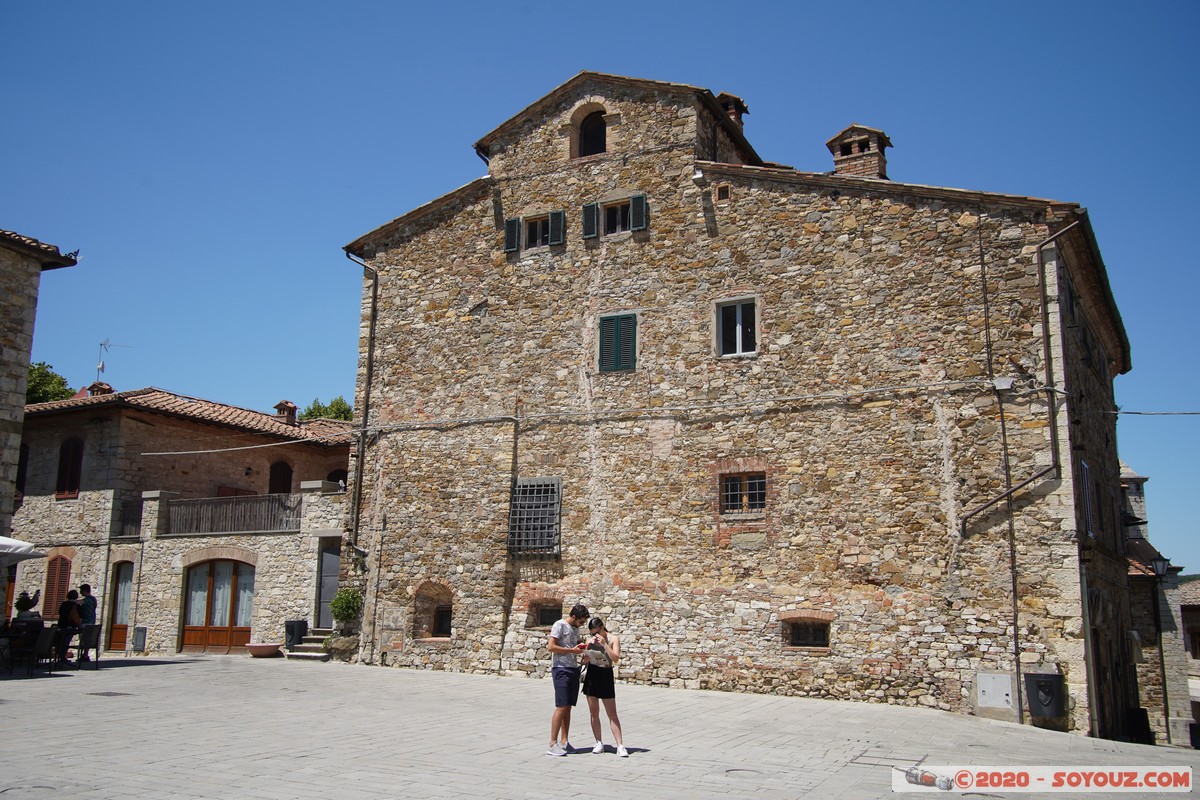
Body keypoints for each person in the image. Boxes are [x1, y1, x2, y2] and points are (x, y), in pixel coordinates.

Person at [546, 603, 589, 756]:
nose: (582, 624)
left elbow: (576, 644)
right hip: (561, 669)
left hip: (573, 669)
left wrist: (584, 649)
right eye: (581, 621)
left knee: (568, 706)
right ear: (574, 617)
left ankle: (564, 741)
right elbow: (551, 647)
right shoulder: (559, 625)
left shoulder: (575, 629)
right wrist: (572, 650)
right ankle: (552, 743)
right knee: (561, 706)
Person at [582, 617, 628, 757]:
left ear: (602, 627)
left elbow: (615, 658)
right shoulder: (590, 640)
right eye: (592, 633)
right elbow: (584, 660)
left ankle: (620, 745)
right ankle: (598, 742)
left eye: (597, 632)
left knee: (612, 713)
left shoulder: (613, 639)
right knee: (593, 712)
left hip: (605, 674)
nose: (595, 636)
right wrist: (587, 651)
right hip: (592, 673)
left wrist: (604, 645)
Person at [56, 589, 82, 665]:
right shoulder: (76, 606)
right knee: (66, 642)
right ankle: (63, 657)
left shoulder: (63, 604)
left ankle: (60, 656)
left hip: (61, 625)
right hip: (71, 626)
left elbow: (60, 613)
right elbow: (79, 616)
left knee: (61, 641)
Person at [78, 584, 98, 661]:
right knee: (88, 639)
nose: (80, 592)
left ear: (84, 591)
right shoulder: (94, 599)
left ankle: (84, 655)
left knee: (83, 639)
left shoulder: (86, 600)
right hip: (92, 622)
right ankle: (85, 655)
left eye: (81, 591)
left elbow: (80, 603)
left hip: (85, 622)